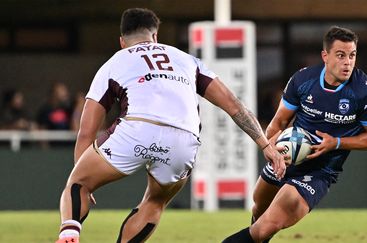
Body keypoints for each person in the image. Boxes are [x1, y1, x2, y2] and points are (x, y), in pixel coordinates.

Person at [55, 8, 286, 243]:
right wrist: (265, 144)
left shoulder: (115, 62)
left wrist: (82, 177)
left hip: (137, 128)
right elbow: (235, 106)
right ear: (155, 36)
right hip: (184, 140)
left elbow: (87, 129)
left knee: (77, 185)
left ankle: (70, 233)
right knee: (155, 201)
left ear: (122, 41)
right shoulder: (186, 59)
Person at [222, 26, 367, 242]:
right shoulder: (303, 80)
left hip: (319, 171)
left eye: (352, 55)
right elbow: (279, 122)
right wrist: (272, 150)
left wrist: (336, 142)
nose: (347, 62)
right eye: (340, 55)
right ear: (325, 56)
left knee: (264, 228)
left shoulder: (365, 92)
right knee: (258, 207)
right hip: (287, 156)